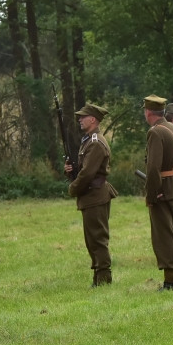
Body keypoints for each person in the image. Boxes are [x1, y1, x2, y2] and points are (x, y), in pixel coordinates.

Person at [65, 103, 117, 286]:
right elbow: (84, 169)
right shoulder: (88, 140)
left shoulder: (95, 143)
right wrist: (71, 171)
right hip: (91, 195)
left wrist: (73, 187)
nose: (79, 119)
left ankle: (103, 279)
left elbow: (88, 174)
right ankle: (98, 277)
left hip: (95, 195)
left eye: (83, 116)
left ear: (93, 119)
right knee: (91, 239)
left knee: (98, 238)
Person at [145, 97, 173, 290]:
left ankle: (170, 281)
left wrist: (153, 195)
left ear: (148, 112)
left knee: (164, 237)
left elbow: (153, 168)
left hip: (163, 191)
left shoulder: (156, 132)